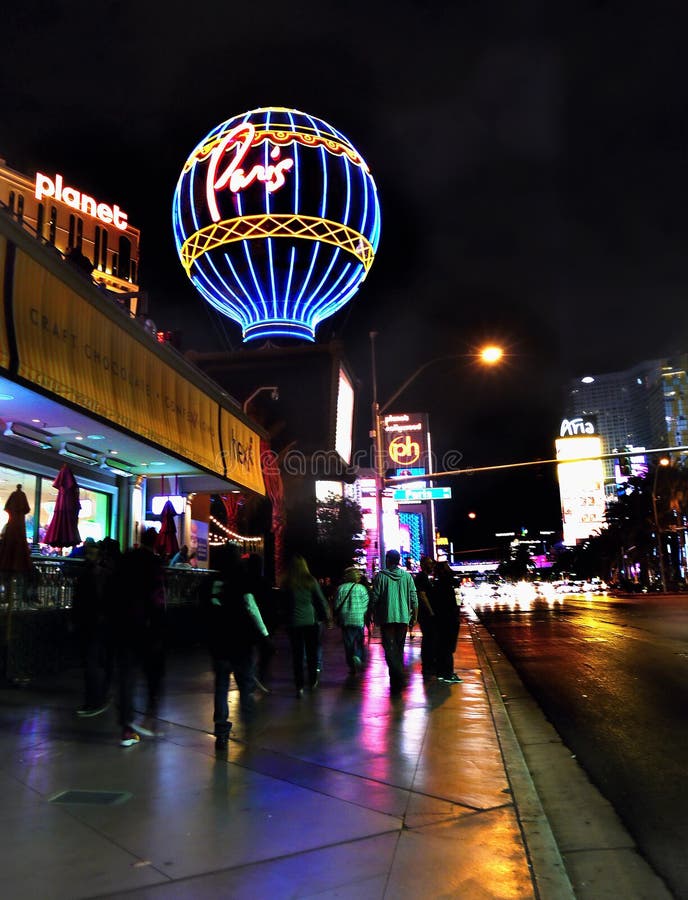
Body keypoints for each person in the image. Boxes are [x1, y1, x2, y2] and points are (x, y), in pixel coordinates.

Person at [203, 544, 270, 751]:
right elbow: (252, 607)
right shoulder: (242, 579)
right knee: (245, 686)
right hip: (241, 642)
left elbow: (203, 612)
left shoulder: (210, 581)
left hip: (219, 643)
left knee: (221, 686)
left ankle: (221, 731)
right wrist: (265, 635)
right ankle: (250, 728)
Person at [114, 527, 167, 747]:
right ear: (154, 542)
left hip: (124, 624)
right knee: (153, 673)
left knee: (126, 676)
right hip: (146, 627)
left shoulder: (126, 559)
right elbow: (158, 598)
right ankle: (150, 718)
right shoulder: (154, 565)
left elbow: (113, 589)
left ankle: (126, 727)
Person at [281, 555, 331, 696]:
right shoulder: (311, 581)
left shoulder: (287, 583)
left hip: (294, 623)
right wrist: (327, 617)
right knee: (311, 652)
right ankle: (313, 680)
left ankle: (299, 686)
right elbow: (320, 600)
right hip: (310, 621)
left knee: (297, 655)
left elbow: (283, 604)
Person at [373, 549, 418, 694]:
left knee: (388, 648)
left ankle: (397, 675)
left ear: (387, 560)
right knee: (399, 648)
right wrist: (414, 616)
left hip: (387, 618)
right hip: (403, 618)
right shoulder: (407, 577)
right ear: (398, 560)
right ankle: (396, 678)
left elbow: (375, 597)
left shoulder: (381, 576)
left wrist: (372, 613)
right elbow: (414, 598)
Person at [243, 553, 277, 692]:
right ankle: (258, 675)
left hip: (247, 623)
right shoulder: (265, 583)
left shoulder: (244, 582)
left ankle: (251, 677)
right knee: (264, 651)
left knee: (249, 651)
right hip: (264, 621)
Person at [333, 567, 371, 677]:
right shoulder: (362, 589)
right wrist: (361, 612)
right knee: (359, 641)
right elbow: (365, 604)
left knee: (348, 643)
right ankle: (358, 656)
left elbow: (336, 604)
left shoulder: (340, 588)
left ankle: (351, 665)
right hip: (358, 619)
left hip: (345, 619)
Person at [433, 561, 462, 683]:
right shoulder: (453, 583)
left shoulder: (436, 584)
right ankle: (448, 674)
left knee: (441, 646)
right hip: (450, 618)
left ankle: (441, 672)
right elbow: (458, 601)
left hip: (439, 618)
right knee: (449, 647)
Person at [414, 556, 437, 679]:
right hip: (426, 614)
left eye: (432, 564)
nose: (432, 566)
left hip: (426, 614)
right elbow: (422, 595)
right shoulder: (421, 577)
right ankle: (428, 665)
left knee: (429, 638)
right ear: (423, 565)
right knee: (429, 638)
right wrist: (431, 611)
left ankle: (428, 664)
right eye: (429, 564)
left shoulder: (423, 576)